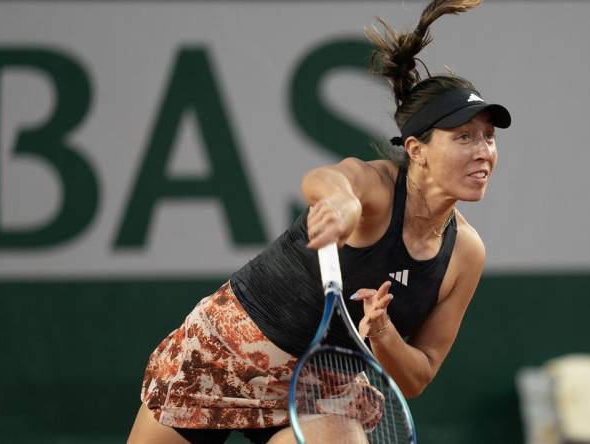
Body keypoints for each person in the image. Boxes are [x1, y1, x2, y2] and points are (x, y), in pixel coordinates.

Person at [127, 0, 510, 442]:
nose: (483, 151)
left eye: (488, 137)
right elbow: (326, 181)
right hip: (229, 352)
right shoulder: (376, 188)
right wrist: (342, 208)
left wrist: (383, 334)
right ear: (416, 150)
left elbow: (416, 377)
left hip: (324, 390)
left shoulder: (465, 252)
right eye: (463, 137)